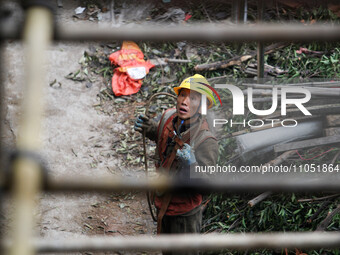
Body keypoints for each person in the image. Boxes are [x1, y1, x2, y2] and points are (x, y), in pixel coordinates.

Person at [134, 74, 218, 255]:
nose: (185, 101)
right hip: (163, 204)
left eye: (193, 98)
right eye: (182, 95)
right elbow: (166, 140)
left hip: (185, 216)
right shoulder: (168, 118)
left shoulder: (206, 140)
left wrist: (192, 165)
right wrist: (149, 128)